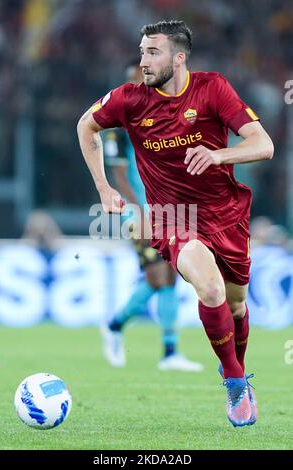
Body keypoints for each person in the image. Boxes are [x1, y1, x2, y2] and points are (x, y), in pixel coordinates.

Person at [77, 20, 274, 427]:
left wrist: (219, 155)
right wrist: (102, 187)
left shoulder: (213, 88)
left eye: (153, 52)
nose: (143, 61)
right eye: (142, 51)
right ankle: (236, 384)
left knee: (236, 304)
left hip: (226, 214)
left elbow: (263, 144)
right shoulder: (129, 99)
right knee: (209, 286)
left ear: (178, 57)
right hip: (173, 217)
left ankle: (232, 366)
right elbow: (86, 125)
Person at [101, 62, 203, 372]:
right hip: (136, 211)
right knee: (161, 275)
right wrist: (141, 213)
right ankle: (120, 327)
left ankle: (163, 349)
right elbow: (119, 176)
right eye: (134, 79)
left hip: (166, 208)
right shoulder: (117, 130)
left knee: (168, 275)